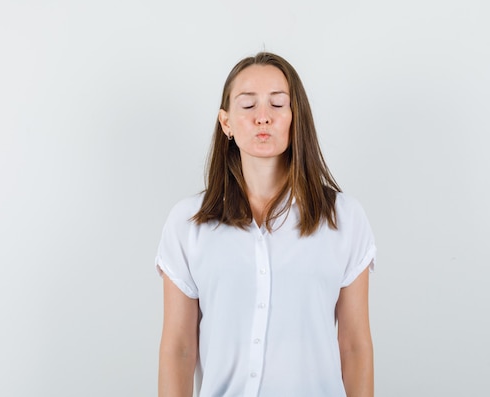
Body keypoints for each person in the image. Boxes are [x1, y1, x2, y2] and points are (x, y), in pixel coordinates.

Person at [155, 52, 376, 397]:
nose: (263, 118)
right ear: (226, 123)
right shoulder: (187, 224)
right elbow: (179, 348)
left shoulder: (344, 219)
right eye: (247, 106)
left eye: (277, 104)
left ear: (295, 117)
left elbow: (354, 345)